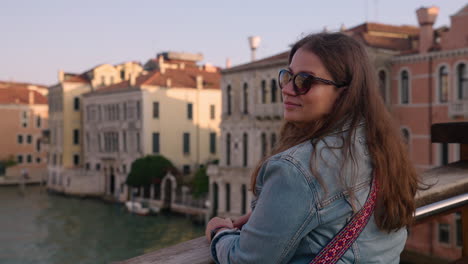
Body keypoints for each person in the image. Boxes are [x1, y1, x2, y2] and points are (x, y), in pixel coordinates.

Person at [205, 32, 420, 263]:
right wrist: (272, 213)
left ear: (344, 93)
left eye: (304, 81)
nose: (287, 89)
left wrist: (219, 233)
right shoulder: (381, 144)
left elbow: (245, 260)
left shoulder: (295, 170)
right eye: (288, 76)